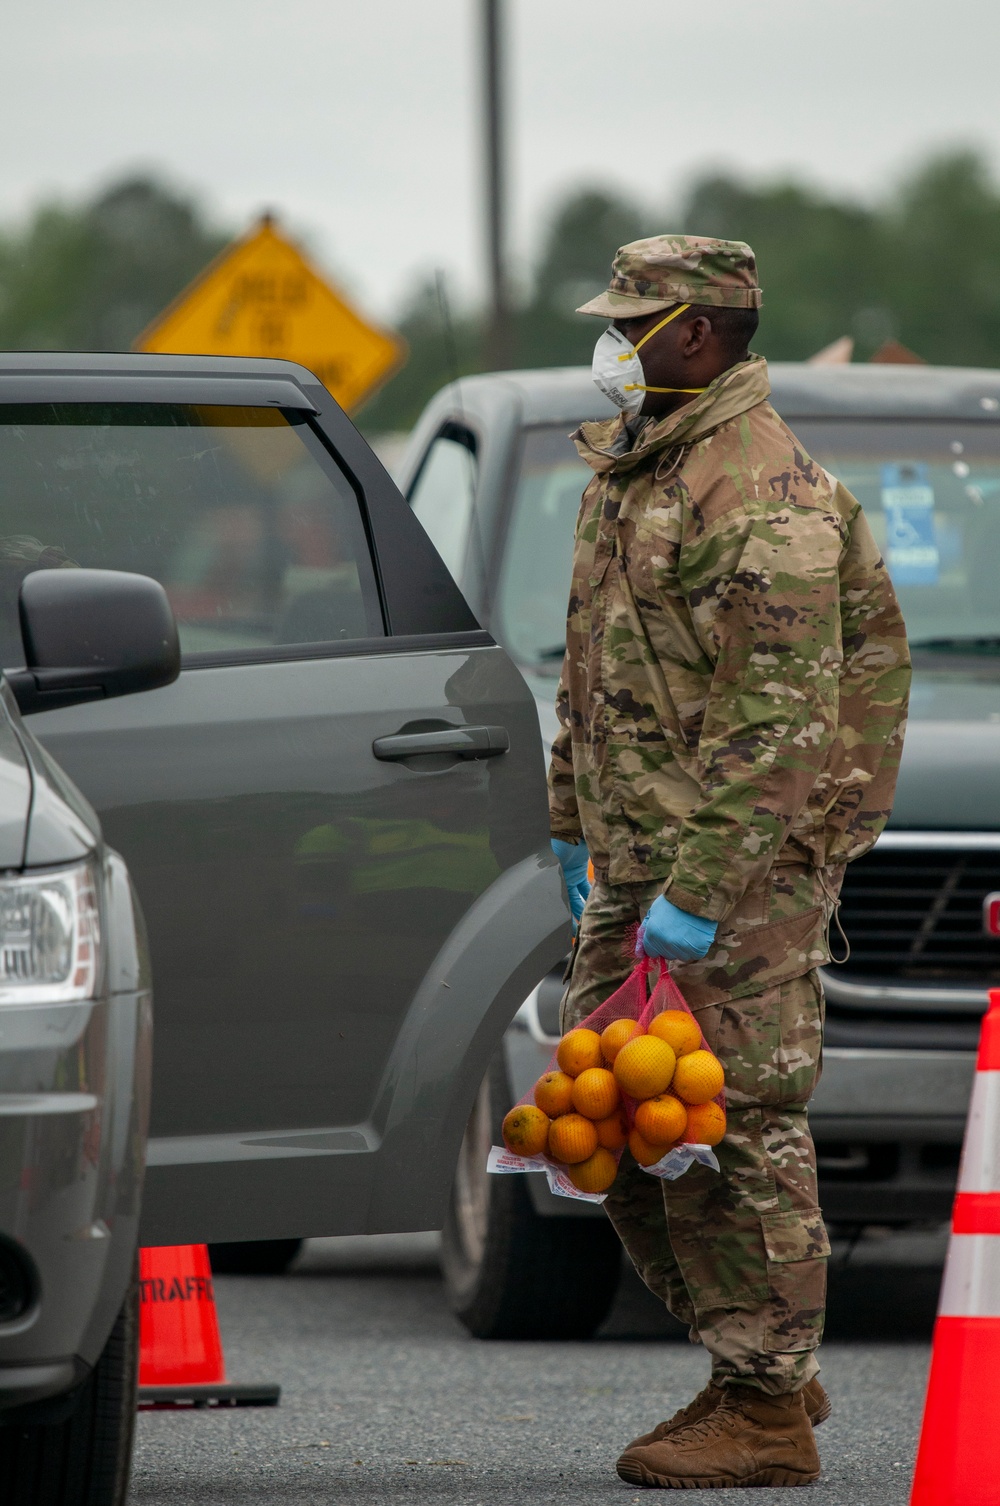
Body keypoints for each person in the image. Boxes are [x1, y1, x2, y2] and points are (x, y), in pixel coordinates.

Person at [548, 235, 910, 1489]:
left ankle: (759, 1403)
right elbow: (591, 664)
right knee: (605, 1128)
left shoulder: (760, 490)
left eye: (635, 321)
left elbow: (779, 724)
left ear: (697, 331)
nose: (614, 341)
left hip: (733, 871)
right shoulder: (642, 462)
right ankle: (760, 1349)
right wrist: (569, 825)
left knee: (736, 1125)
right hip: (635, 858)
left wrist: (700, 899)